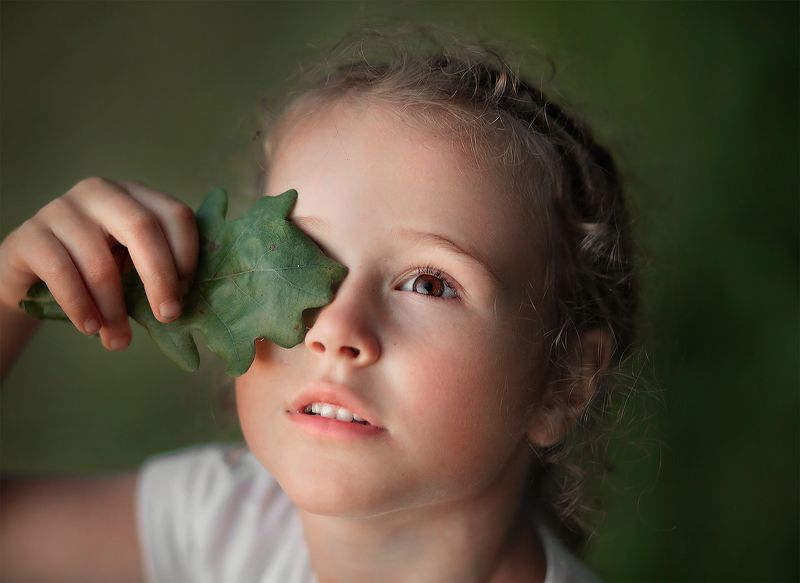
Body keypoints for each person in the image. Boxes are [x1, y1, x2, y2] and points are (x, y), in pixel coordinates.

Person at [0, 26, 636, 582]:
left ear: (563, 384)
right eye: (299, 259)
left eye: (429, 283)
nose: (335, 328)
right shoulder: (219, 523)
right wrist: (8, 296)